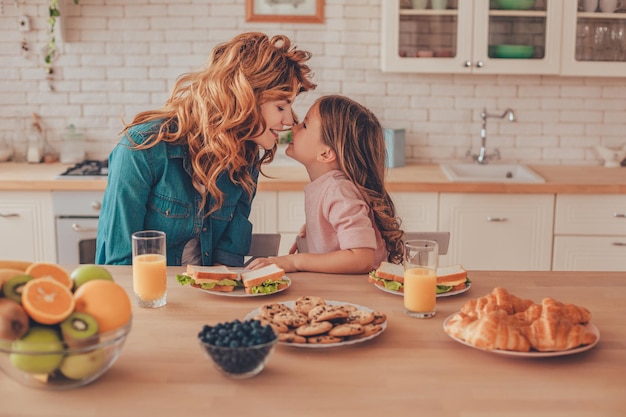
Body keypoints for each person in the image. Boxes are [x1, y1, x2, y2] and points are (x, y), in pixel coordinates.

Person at [95, 32, 317, 266]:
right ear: (243, 99)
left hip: (205, 297)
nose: (290, 122)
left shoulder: (245, 156)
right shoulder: (142, 148)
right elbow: (118, 264)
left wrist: (223, 288)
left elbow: (228, 258)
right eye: (281, 107)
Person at [248, 95, 404, 274]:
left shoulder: (339, 190)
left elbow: (362, 258)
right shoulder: (331, 188)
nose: (294, 126)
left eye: (305, 125)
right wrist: (318, 229)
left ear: (325, 154)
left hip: (361, 293)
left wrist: (296, 261)